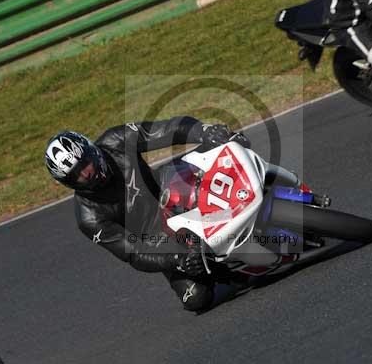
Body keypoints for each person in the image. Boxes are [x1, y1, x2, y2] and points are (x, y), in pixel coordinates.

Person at [44, 116, 250, 311]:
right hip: (158, 240)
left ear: (91, 150)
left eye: (85, 165)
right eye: (76, 176)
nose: (86, 174)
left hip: (169, 192)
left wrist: (204, 132)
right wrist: (176, 260)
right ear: (68, 184)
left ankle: (248, 186)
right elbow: (133, 254)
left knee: (212, 145)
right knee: (196, 298)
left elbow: (168, 129)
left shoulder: (115, 140)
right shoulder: (89, 217)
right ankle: (228, 270)